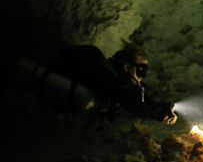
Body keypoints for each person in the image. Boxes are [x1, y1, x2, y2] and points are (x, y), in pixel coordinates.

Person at [48, 44, 177, 123]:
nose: (142, 75)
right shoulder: (105, 75)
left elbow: (138, 97)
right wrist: (158, 114)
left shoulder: (115, 76)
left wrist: (160, 106)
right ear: (126, 67)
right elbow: (129, 101)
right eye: (141, 70)